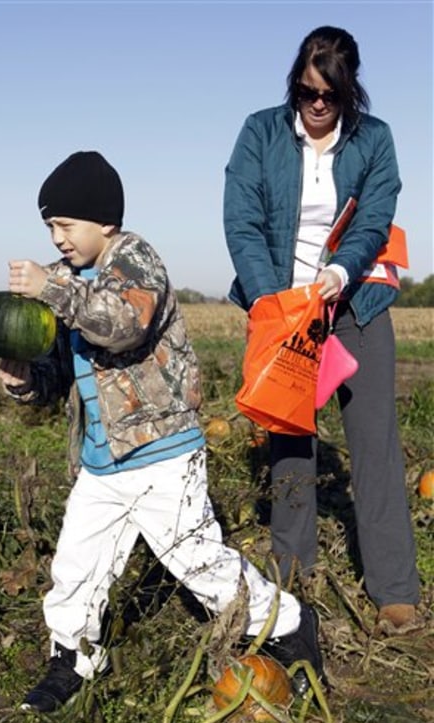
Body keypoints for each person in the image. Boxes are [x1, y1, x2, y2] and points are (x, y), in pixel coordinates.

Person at [0, 150, 324, 713]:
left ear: (105, 222)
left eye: (64, 225)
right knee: (75, 568)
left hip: (163, 459)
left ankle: (290, 624)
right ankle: (73, 658)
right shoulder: (72, 283)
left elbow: (121, 325)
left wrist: (52, 290)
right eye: (49, 226)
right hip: (102, 465)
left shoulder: (135, 262)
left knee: (200, 565)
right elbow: (57, 372)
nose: (56, 239)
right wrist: (24, 380)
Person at [223, 26, 421, 636]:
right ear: (295, 84)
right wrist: (273, 303)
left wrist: (339, 272)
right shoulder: (261, 131)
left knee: (375, 446)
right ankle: (292, 577)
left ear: (347, 92)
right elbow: (242, 220)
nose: (315, 105)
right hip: (285, 307)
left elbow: (377, 218)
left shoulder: (375, 140)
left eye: (328, 95)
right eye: (307, 91)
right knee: (290, 442)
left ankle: (394, 589)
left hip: (356, 303)